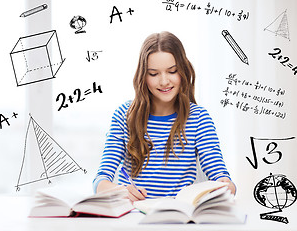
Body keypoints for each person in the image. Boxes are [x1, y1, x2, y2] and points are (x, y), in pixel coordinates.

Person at [93, 31, 236, 201]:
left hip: (178, 217)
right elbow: (101, 180)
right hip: (132, 218)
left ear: (183, 71)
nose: (164, 81)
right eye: (153, 74)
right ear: (143, 76)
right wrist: (118, 190)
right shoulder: (124, 115)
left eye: (172, 71)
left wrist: (225, 186)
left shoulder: (198, 118)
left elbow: (219, 174)